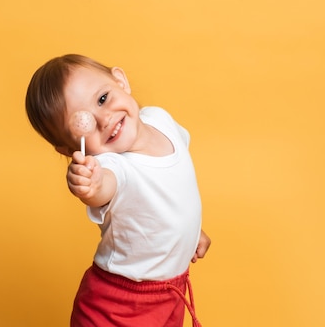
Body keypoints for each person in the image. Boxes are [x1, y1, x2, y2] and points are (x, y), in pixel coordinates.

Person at [25, 54, 211, 327]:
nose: (104, 119)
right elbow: (104, 186)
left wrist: (191, 231)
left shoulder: (161, 120)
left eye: (103, 99)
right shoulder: (112, 166)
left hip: (171, 292)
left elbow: (174, 183)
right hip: (119, 306)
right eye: (83, 121)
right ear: (68, 149)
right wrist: (90, 183)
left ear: (120, 81)